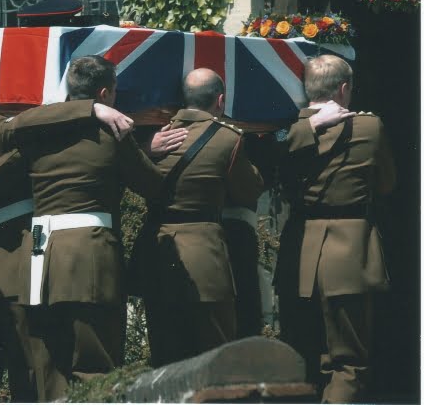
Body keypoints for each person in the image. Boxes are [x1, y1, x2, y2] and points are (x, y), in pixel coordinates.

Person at [0, 71, 164, 402]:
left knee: (30, 370)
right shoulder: (0, 130)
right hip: (37, 263)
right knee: (58, 368)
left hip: (26, 265)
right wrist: (93, 110)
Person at [276, 54, 394, 403]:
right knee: (348, 362)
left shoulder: (286, 130)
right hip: (349, 251)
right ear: (344, 89)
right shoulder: (369, 127)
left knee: (301, 358)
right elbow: (386, 183)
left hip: (299, 253)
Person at [139, 68, 263, 368]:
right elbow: (249, 189)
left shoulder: (152, 137)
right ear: (220, 101)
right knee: (212, 354)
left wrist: (144, 149)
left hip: (155, 253)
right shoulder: (227, 139)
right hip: (204, 258)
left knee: (166, 358)